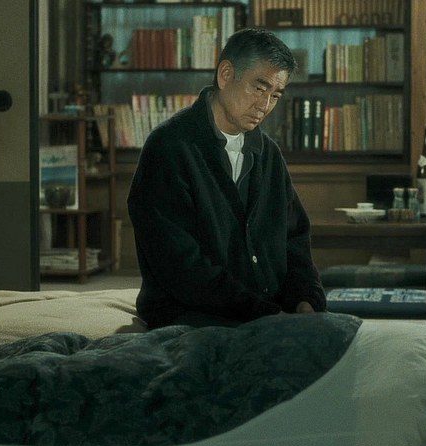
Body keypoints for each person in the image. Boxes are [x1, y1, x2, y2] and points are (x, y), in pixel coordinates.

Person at [127, 28, 325, 329]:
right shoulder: (168, 148)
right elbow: (181, 267)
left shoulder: (268, 154)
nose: (265, 106)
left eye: (275, 95)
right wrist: (266, 316)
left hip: (268, 315)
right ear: (225, 74)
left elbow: (295, 243)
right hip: (193, 317)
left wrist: (306, 303)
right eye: (258, 89)